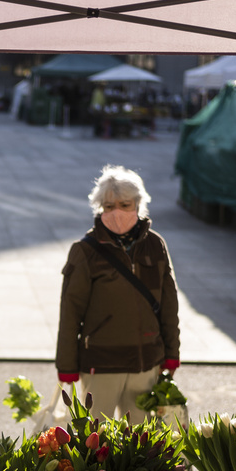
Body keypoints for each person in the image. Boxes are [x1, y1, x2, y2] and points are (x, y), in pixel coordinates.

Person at [55, 165, 180, 423]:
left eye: (125, 204)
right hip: (101, 365)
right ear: (100, 208)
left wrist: (172, 354)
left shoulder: (155, 245)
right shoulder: (84, 251)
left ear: (138, 205)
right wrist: (66, 366)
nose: (117, 213)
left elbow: (169, 305)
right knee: (95, 442)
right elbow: (70, 313)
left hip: (146, 363)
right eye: (109, 206)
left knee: (143, 446)